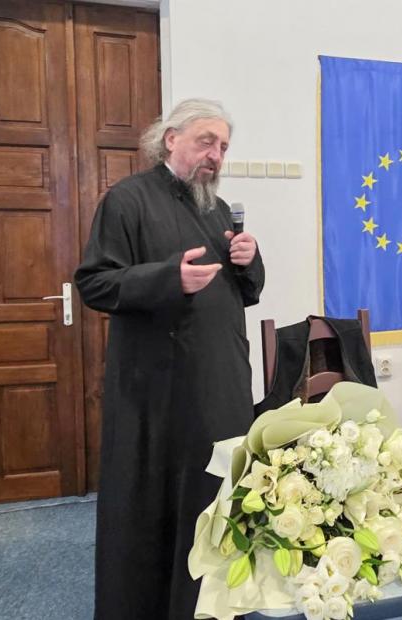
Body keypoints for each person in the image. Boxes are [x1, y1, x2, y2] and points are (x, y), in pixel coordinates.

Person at [74, 98, 264, 620]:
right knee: (160, 507)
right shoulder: (127, 201)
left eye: (223, 146)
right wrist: (167, 278)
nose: (216, 154)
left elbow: (246, 293)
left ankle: (212, 607)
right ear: (170, 139)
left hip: (221, 384)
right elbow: (95, 283)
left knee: (217, 499)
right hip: (158, 392)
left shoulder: (218, 210)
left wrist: (249, 261)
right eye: (206, 141)